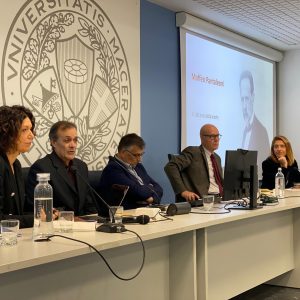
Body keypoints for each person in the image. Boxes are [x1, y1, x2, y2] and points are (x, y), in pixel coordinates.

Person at [26, 121, 96, 216]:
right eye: (67, 140)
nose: (73, 145)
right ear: (53, 142)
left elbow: (89, 204)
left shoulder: (81, 166)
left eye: (75, 140)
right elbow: (37, 209)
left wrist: (95, 222)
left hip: (84, 225)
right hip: (58, 225)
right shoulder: (41, 168)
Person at [98, 133, 163, 213]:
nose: (140, 159)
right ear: (123, 153)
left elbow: (159, 188)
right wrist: (150, 188)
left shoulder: (139, 167)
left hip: (146, 213)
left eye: (141, 155)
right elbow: (139, 192)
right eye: (136, 155)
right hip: (126, 216)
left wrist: (152, 199)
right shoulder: (112, 169)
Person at [164, 124, 223, 202]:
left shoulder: (217, 158)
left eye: (217, 136)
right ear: (202, 138)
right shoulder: (193, 152)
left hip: (220, 199)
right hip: (203, 200)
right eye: (212, 136)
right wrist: (183, 191)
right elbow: (170, 166)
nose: (216, 140)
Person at [0, 105, 35, 228]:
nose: (31, 135)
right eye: (25, 130)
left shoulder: (16, 164)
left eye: (31, 129)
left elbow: (17, 213)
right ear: (7, 132)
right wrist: (36, 220)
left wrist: (42, 214)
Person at [239, 70, 270, 166]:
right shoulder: (242, 130)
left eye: (247, 98)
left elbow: (265, 166)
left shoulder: (262, 131)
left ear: (253, 97)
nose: (244, 106)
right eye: (242, 99)